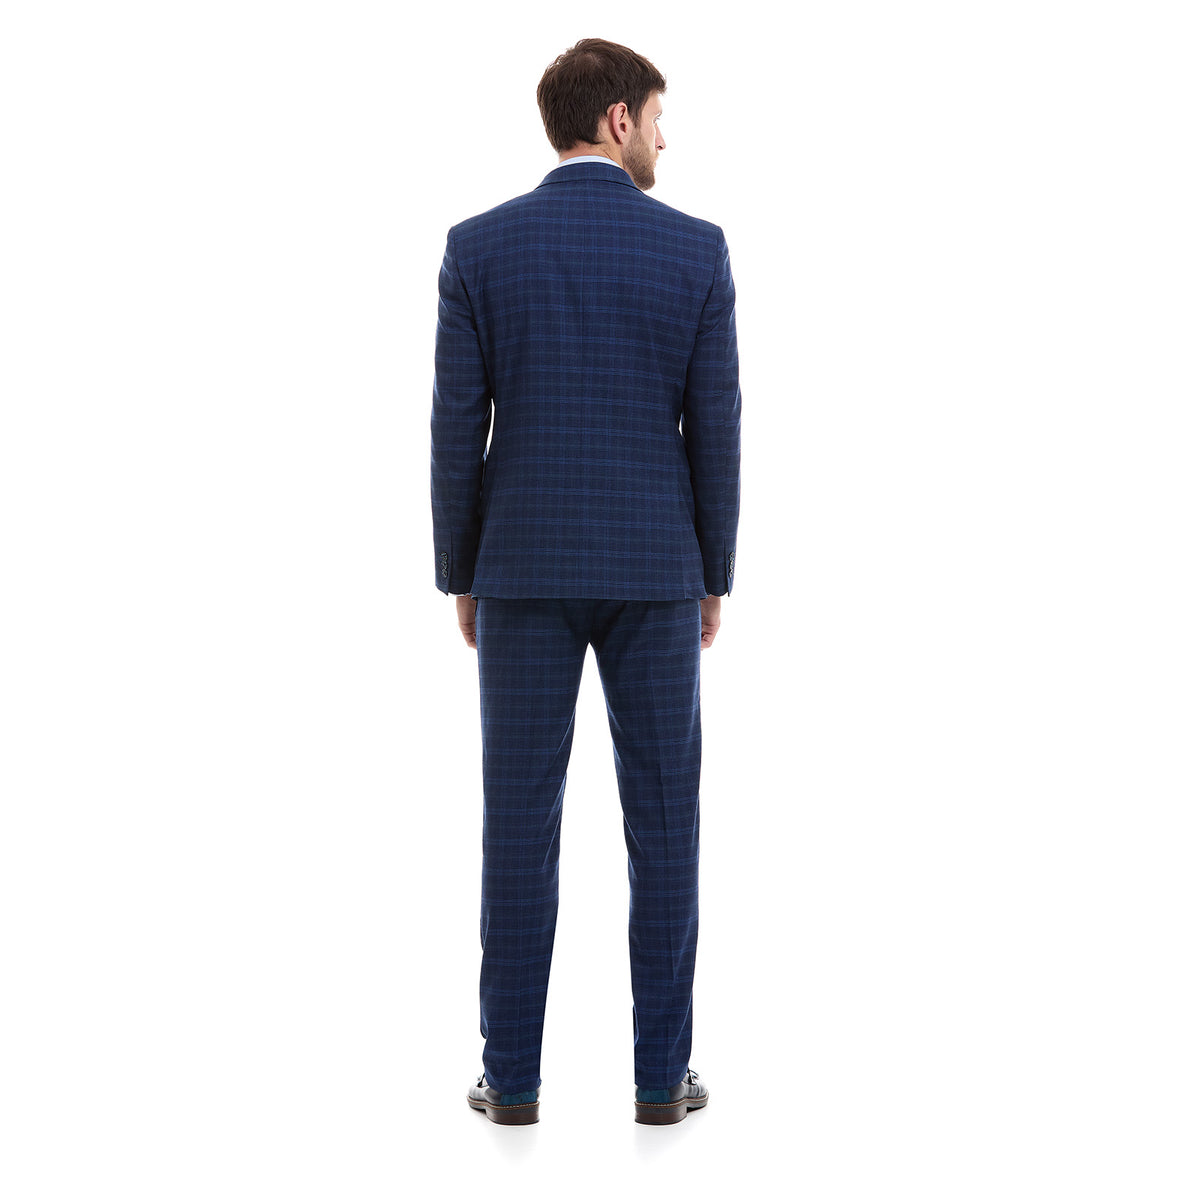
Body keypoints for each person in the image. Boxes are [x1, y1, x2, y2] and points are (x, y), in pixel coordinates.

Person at [430, 37, 741, 1126]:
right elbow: (716, 430)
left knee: (517, 825)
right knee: (666, 825)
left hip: (520, 572)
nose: (662, 138)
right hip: (655, 572)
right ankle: (661, 1081)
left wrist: (462, 572)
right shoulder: (695, 250)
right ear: (616, 120)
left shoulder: (479, 248)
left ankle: (512, 1080)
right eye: (656, 117)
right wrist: (713, 572)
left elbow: (455, 428)